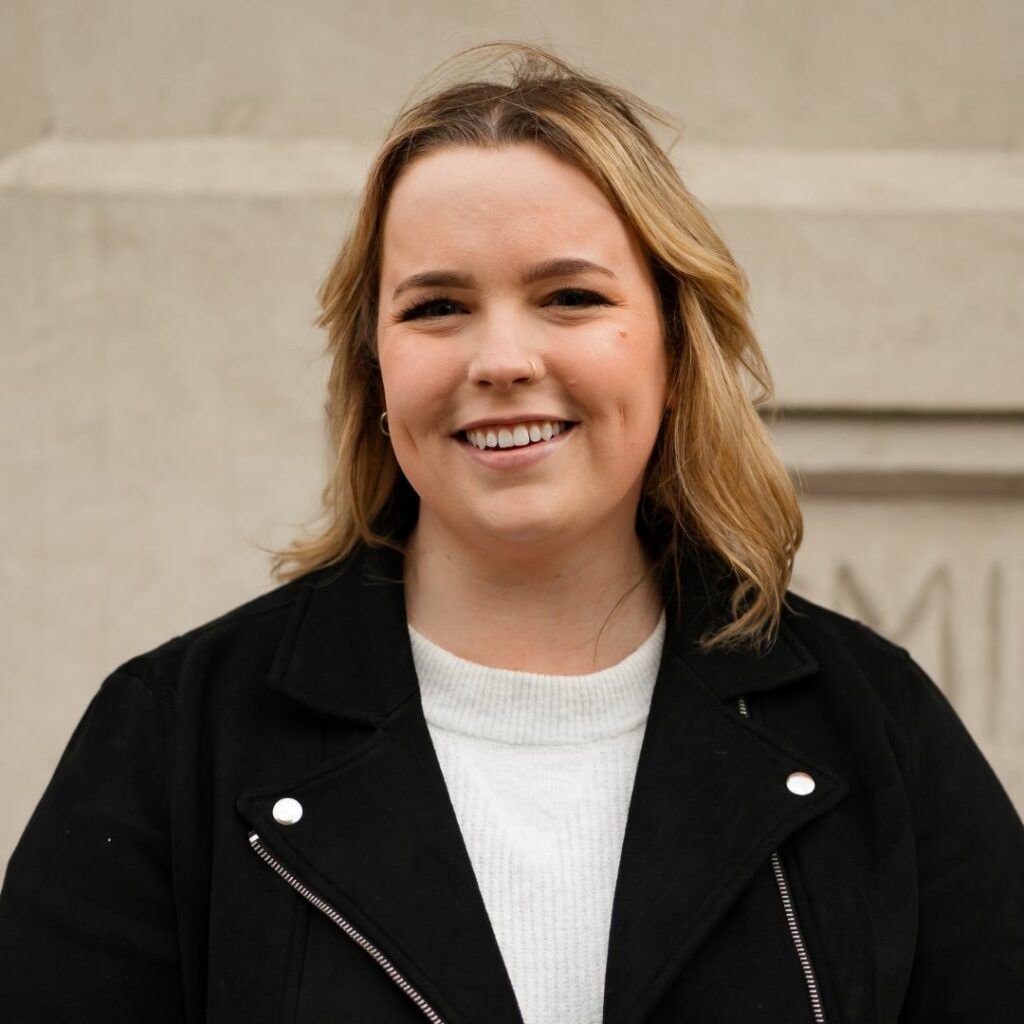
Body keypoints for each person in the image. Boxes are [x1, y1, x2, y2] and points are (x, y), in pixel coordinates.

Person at [1, 41, 1022, 1024]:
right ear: (375, 368)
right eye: (436, 306)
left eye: (569, 296)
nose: (500, 358)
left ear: (671, 345)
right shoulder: (176, 738)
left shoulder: (872, 729)